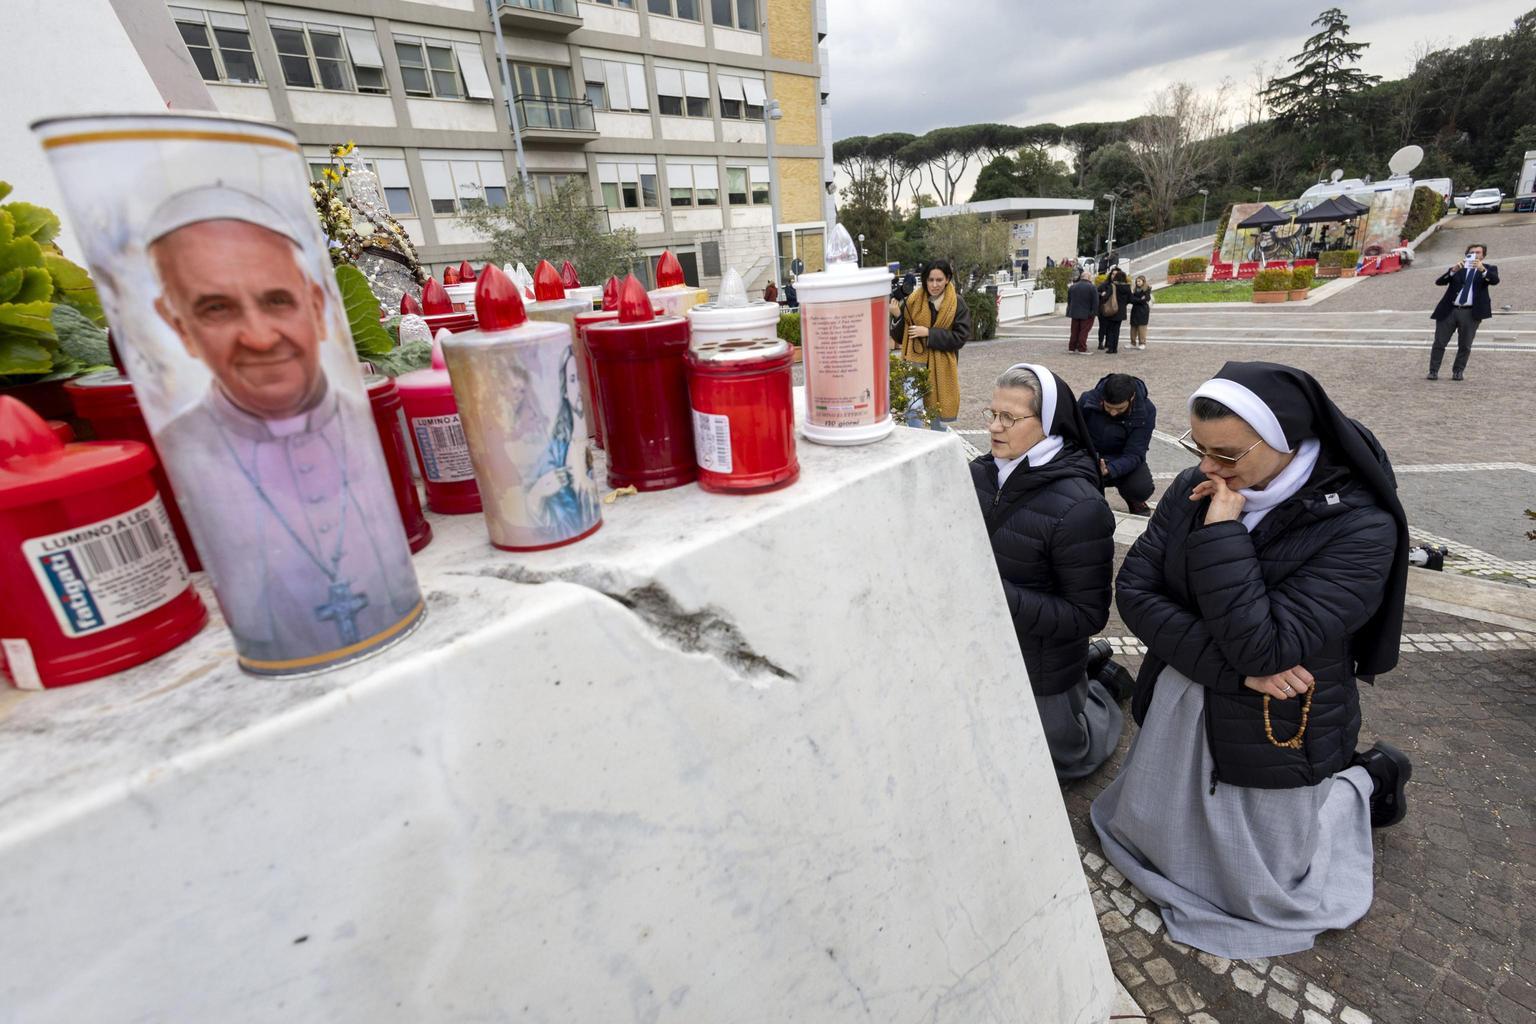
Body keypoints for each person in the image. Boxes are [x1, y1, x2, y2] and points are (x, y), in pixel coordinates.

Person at [1092, 361, 1413, 960]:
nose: (1208, 468)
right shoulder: (1198, 481)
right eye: (1199, 448)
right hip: (1210, 692)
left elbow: (1263, 647)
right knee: (1157, 823)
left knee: (1254, 877)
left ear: (1285, 442)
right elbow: (1135, 592)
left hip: (1276, 724)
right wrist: (1232, 670)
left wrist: (1222, 534)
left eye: (1228, 455)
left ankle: (1371, 778)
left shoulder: (1362, 528)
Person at [150, 188, 422, 666]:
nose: (258, 336)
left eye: (278, 300)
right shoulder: (178, 449)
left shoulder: (364, 419)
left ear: (317, 307)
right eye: (217, 308)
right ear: (178, 326)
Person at [972, 363, 1122, 780]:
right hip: (983, 646)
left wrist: (997, 595)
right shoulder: (979, 473)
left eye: (1010, 418)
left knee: (1064, 761)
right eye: (992, 414)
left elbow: (1087, 615)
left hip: (1041, 663)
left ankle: (1099, 690)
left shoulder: (1080, 508)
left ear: (1049, 422)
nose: (995, 427)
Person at [890, 260, 970, 430]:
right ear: (924, 280)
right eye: (930, 280)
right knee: (913, 407)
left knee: (937, 417)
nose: (934, 285)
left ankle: (938, 445)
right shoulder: (913, 300)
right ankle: (918, 441)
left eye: (939, 280)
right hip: (914, 365)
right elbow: (901, 336)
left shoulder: (957, 303)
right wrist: (898, 316)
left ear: (947, 279)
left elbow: (960, 337)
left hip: (942, 368)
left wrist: (928, 333)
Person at [1080, 373, 1156, 516]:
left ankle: (1134, 500)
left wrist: (1110, 469)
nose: (1113, 413)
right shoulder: (1087, 400)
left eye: (1120, 409)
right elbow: (1074, 434)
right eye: (1108, 407)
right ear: (1103, 398)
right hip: (1091, 455)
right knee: (1086, 496)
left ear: (1131, 398)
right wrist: (1089, 460)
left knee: (1140, 488)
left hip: (1124, 457)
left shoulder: (1146, 410)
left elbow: (1136, 453)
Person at [1427, 243, 1499, 381]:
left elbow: (1495, 280)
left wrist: (1482, 270)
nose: (1475, 255)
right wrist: (1453, 270)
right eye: (1472, 252)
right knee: (1439, 343)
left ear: (1483, 255)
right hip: (1449, 310)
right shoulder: (1458, 268)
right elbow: (1439, 282)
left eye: (1478, 252)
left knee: (1465, 345)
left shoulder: (1489, 269)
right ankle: (1433, 371)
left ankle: (1458, 371)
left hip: (1471, 313)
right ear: (1466, 255)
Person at [1097, 268, 1131, 353]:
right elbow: (1130, 299)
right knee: (1117, 330)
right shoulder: (1127, 287)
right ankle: (1114, 348)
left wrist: (1103, 296)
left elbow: (1106, 297)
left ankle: (1110, 348)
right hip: (1121, 311)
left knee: (1111, 329)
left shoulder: (1113, 286)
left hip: (1112, 310)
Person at [1066, 269, 1098, 354]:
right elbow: (1095, 302)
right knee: (1084, 331)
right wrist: (1094, 312)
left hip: (1074, 312)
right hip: (1087, 313)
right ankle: (1082, 348)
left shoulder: (1073, 286)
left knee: (1074, 331)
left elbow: (1069, 300)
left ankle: (1071, 348)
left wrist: (1069, 310)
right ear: (1088, 277)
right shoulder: (1092, 287)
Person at [1127, 274, 1153, 349]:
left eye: (1139, 281)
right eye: (1136, 281)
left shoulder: (1147, 289)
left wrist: (1137, 300)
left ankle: (1142, 343)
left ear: (1143, 281)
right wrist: (1139, 299)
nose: (1137, 282)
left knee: (1142, 327)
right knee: (1133, 327)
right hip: (1135, 310)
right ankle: (1133, 343)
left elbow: (1146, 299)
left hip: (1143, 310)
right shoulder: (1135, 289)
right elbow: (1132, 299)